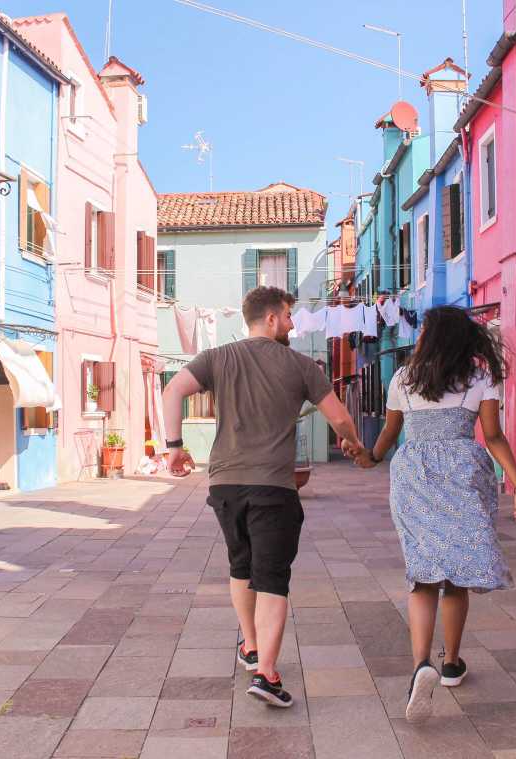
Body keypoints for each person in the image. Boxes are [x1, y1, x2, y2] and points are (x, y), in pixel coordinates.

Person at [163, 286, 363, 708]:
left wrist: (175, 446)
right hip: (273, 485)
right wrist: (354, 444)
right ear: (271, 319)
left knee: (240, 565)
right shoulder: (301, 365)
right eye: (288, 315)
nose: (292, 323)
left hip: (224, 486)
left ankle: (251, 647)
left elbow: (172, 391)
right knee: (272, 577)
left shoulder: (217, 358)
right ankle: (266, 675)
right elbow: (340, 418)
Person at [344, 305, 516, 723]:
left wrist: (367, 458)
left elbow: (389, 438)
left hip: (414, 476)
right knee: (457, 575)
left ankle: (420, 665)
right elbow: (494, 436)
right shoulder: (480, 377)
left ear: (433, 337)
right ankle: (451, 663)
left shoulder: (403, 379)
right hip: (463, 473)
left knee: (423, 575)